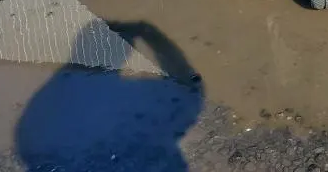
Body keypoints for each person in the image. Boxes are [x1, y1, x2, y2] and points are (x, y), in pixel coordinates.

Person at [16, 19, 203, 171]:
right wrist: (151, 35)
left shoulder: (41, 109)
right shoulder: (132, 99)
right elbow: (190, 90)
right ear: (123, 54)